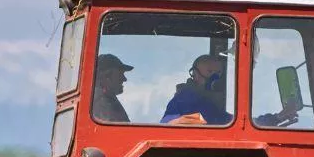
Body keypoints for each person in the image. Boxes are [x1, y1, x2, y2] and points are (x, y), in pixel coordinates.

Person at [161, 54, 299, 126]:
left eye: (218, 73)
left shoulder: (207, 103)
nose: (215, 78)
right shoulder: (184, 98)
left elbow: (237, 123)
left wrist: (277, 118)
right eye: (210, 72)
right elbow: (168, 124)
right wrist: (199, 120)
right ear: (195, 74)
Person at [91, 53, 133, 123]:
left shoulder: (106, 98)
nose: (124, 79)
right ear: (106, 76)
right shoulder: (99, 100)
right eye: (120, 74)